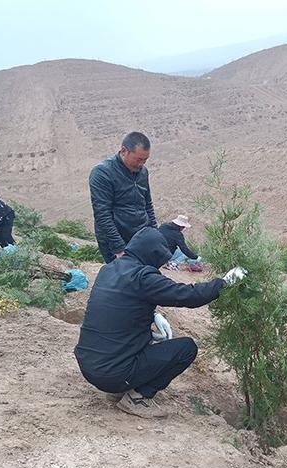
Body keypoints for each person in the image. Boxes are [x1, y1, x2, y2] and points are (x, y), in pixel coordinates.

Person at [74, 227, 247, 418]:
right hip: (113, 372)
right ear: (151, 254)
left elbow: (121, 303)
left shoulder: (108, 269)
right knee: (186, 348)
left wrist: (153, 313)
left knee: (148, 340)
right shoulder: (143, 277)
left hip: (89, 365)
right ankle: (137, 398)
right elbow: (188, 295)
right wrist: (223, 283)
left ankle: (117, 389)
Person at [89, 132, 158, 263]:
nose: (141, 164)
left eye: (145, 160)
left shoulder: (143, 172)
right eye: (138, 159)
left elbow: (147, 205)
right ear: (124, 151)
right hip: (116, 239)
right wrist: (119, 248)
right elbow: (102, 214)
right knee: (124, 279)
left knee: (145, 277)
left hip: (140, 236)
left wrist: (155, 234)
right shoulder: (102, 173)